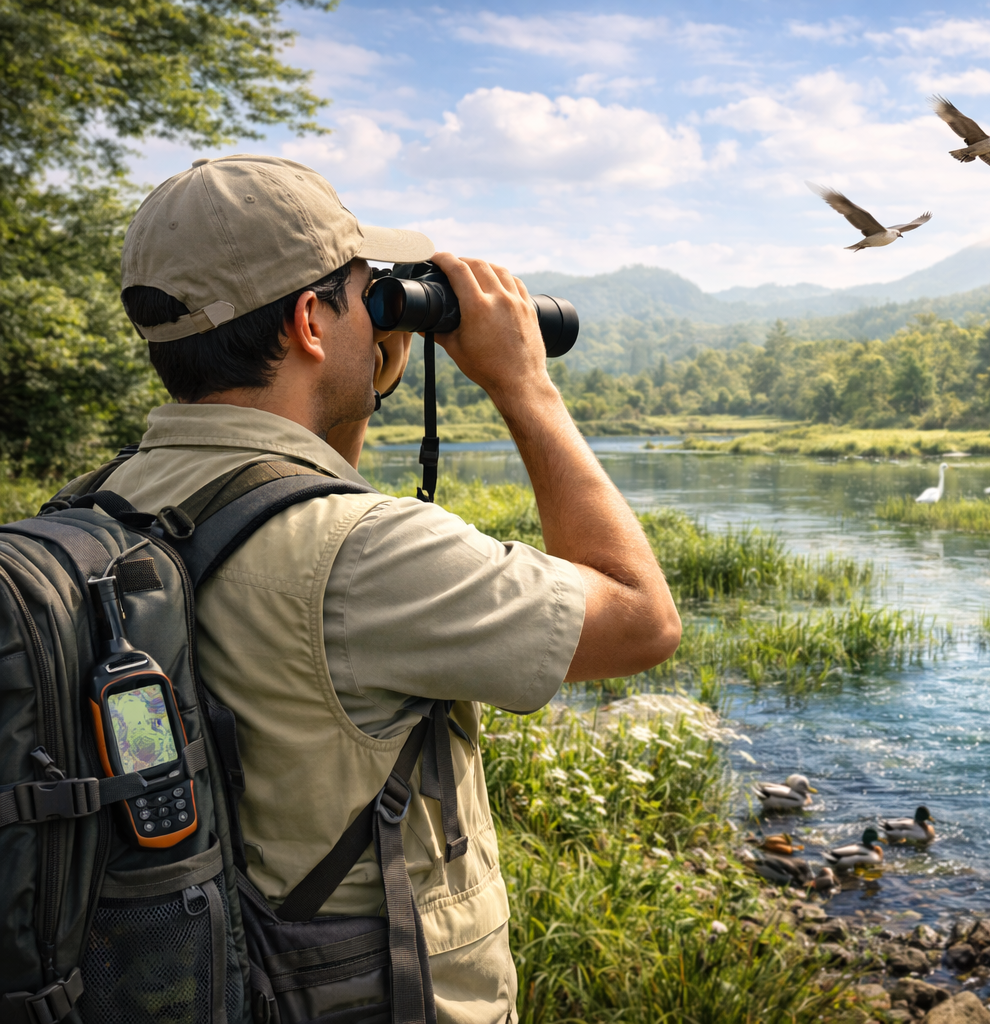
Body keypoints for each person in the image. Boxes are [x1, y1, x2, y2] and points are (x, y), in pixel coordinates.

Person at [103, 154, 682, 1023]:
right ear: (310, 321)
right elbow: (642, 621)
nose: (379, 313)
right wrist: (525, 384)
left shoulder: (109, 501)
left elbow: (286, 489)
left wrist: (348, 392)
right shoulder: (370, 555)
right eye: (363, 291)